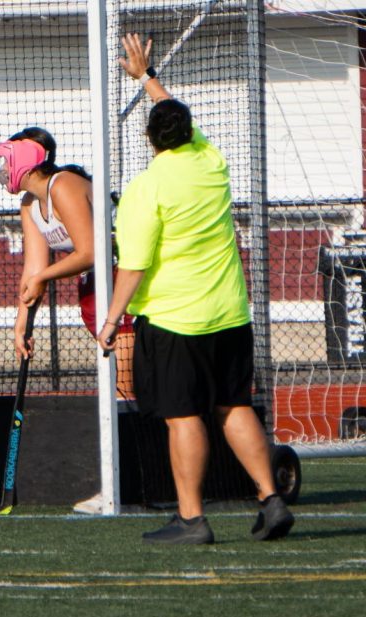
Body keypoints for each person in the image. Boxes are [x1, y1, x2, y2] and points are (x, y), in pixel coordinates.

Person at [99, 32, 295, 544]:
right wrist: (145, 79)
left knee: (183, 416)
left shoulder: (147, 189)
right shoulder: (211, 161)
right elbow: (171, 111)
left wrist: (111, 319)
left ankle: (192, 519)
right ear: (189, 132)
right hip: (230, 315)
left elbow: (133, 266)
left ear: (150, 139)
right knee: (234, 405)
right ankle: (270, 499)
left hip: (174, 321)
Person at [0, 128, 135, 515]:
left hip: (129, 279)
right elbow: (35, 268)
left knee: (126, 383)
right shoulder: (30, 203)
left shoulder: (64, 185)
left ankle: (125, 484)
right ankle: (124, 481)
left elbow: (90, 250)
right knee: (118, 383)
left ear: (24, 158)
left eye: (6, 161)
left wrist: (41, 279)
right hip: (95, 290)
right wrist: (23, 321)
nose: (1, 170)